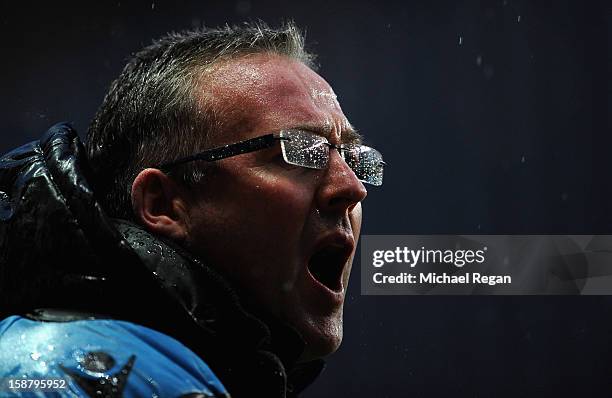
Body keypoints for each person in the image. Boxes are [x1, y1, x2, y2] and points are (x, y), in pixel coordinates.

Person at [0, 22, 384, 397]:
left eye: (354, 159)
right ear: (163, 203)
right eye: (299, 151)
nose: (352, 188)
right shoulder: (58, 374)